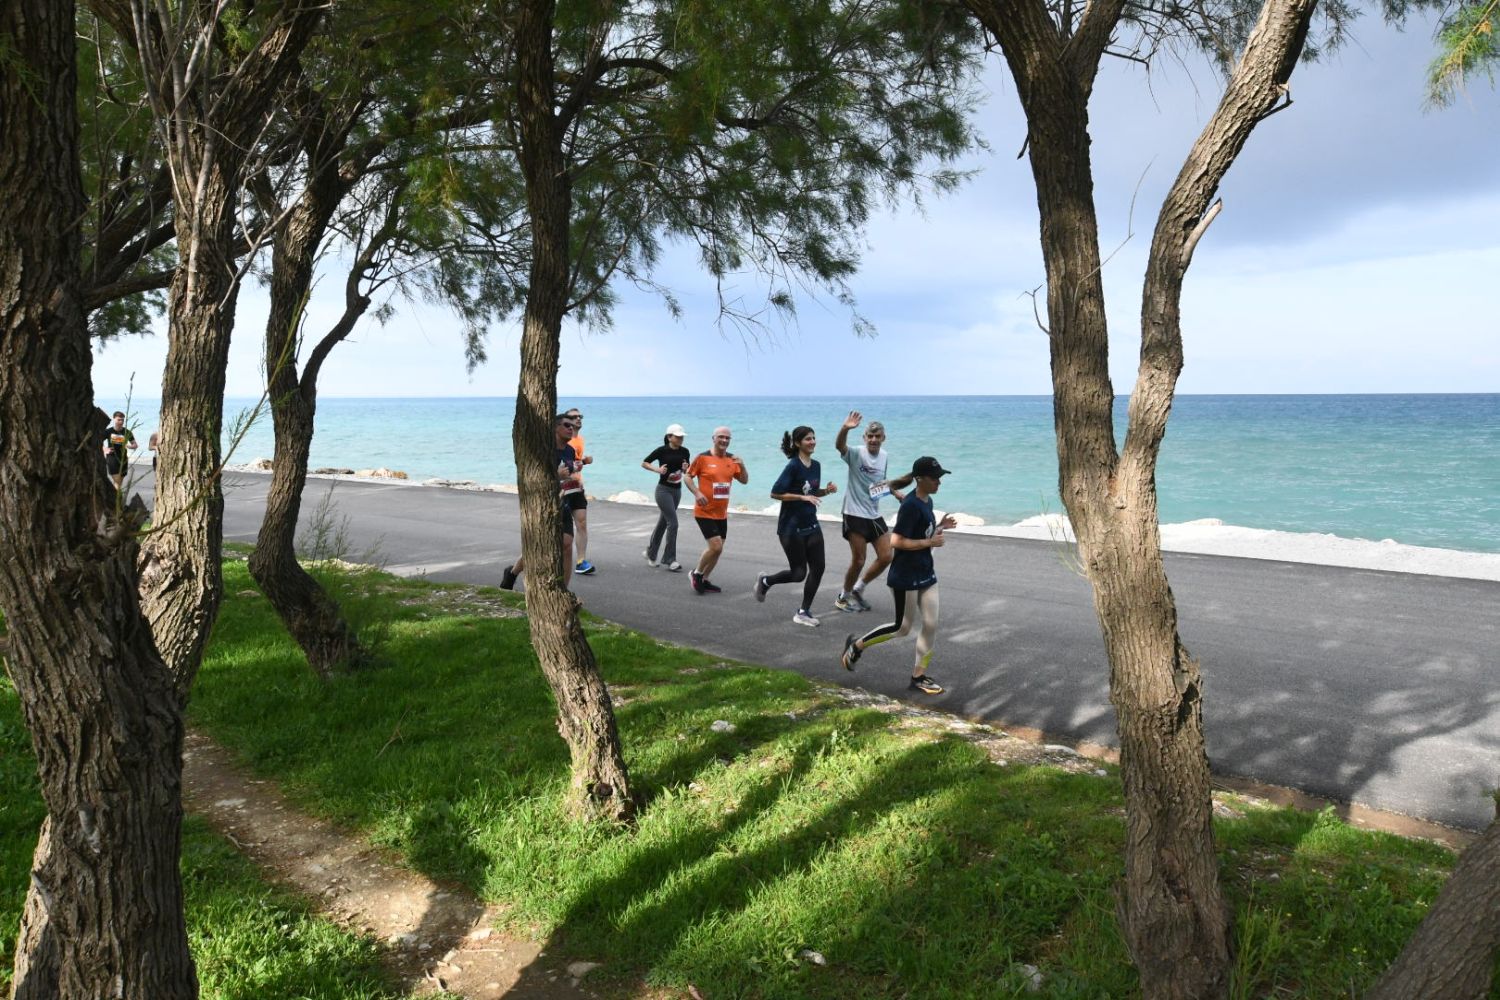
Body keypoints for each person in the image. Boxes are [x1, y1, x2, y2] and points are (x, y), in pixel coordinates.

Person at [839, 456, 958, 696]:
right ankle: (856, 646)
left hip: (925, 571)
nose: (939, 482)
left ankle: (919, 677)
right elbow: (896, 541)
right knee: (901, 628)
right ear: (920, 479)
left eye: (940, 477)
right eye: (935, 478)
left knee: (931, 624)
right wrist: (929, 542)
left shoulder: (927, 501)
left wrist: (940, 527)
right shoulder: (910, 505)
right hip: (905, 576)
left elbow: (922, 533)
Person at [753, 426, 837, 626]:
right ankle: (766, 581)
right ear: (798, 443)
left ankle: (803, 612)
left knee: (819, 567)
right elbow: (775, 493)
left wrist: (827, 491)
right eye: (808, 439)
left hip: (811, 523)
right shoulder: (793, 466)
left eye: (814, 438)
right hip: (791, 528)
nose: (813, 442)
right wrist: (801, 497)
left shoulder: (816, 465)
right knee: (799, 574)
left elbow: (812, 493)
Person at [832, 410, 913, 613]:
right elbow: (839, 446)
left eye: (877, 436)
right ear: (864, 437)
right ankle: (843, 597)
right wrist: (845, 428)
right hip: (854, 512)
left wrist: (895, 493)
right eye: (870, 436)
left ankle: (858, 588)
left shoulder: (884, 456)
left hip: (873, 513)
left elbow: (878, 483)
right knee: (859, 560)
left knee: (886, 556)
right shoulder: (856, 453)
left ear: (884, 438)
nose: (873, 440)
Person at [500, 413, 581, 591]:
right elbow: (534, 479)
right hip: (542, 505)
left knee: (567, 545)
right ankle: (512, 573)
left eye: (573, 426)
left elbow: (568, 472)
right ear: (555, 428)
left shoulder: (570, 450)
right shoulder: (544, 451)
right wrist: (556, 476)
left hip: (562, 502)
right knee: (540, 546)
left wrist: (574, 480)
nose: (571, 429)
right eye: (567, 425)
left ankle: (563, 591)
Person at [684, 426, 749, 595]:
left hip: (721, 513)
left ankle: (704, 579)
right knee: (716, 547)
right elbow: (687, 476)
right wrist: (697, 492)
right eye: (721, 437)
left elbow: (744, 480)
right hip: (704, 511)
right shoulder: (702, 458)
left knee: (718, 550)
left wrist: (743, 466)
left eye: (727, 438)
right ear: (713, 438)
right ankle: (696, 573)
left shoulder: (732, 460)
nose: (724, 440)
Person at [641, 423, 690, 572]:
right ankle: (670, 559)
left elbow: (687, 470)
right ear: (669, 437)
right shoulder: (662, 451)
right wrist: (657, 469)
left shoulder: (685, 451)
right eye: (678, 436)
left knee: (663, 523)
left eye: (682, 437)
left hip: (677, 491)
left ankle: (651, 553)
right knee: (673, 524)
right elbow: (644, 463)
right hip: (663, 491)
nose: (681, 439)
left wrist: (686, 469)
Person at [562, 408, 595, 574]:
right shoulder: (564, 441)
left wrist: (584, 461)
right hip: (562, 489)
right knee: (562, 531)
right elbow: (563, 464)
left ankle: (581, 561)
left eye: (580, 416)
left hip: (576, 487)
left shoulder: (580, 440)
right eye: (574, 417)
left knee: (582, 523)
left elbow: (574, 463)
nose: (578, 419)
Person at [101, 410, 138, 490]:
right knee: (117, 481)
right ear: (114, 419)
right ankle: (117, 497)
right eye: (119, 420)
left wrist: (129, 446)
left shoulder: (127, 432)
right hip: (112, 458)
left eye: (122, 420)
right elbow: (98, 441)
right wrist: (105, 449)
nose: (121, 422)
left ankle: (115, 496)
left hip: (123, 458)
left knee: (119, 482)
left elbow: (135, 445)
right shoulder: (108, 431)